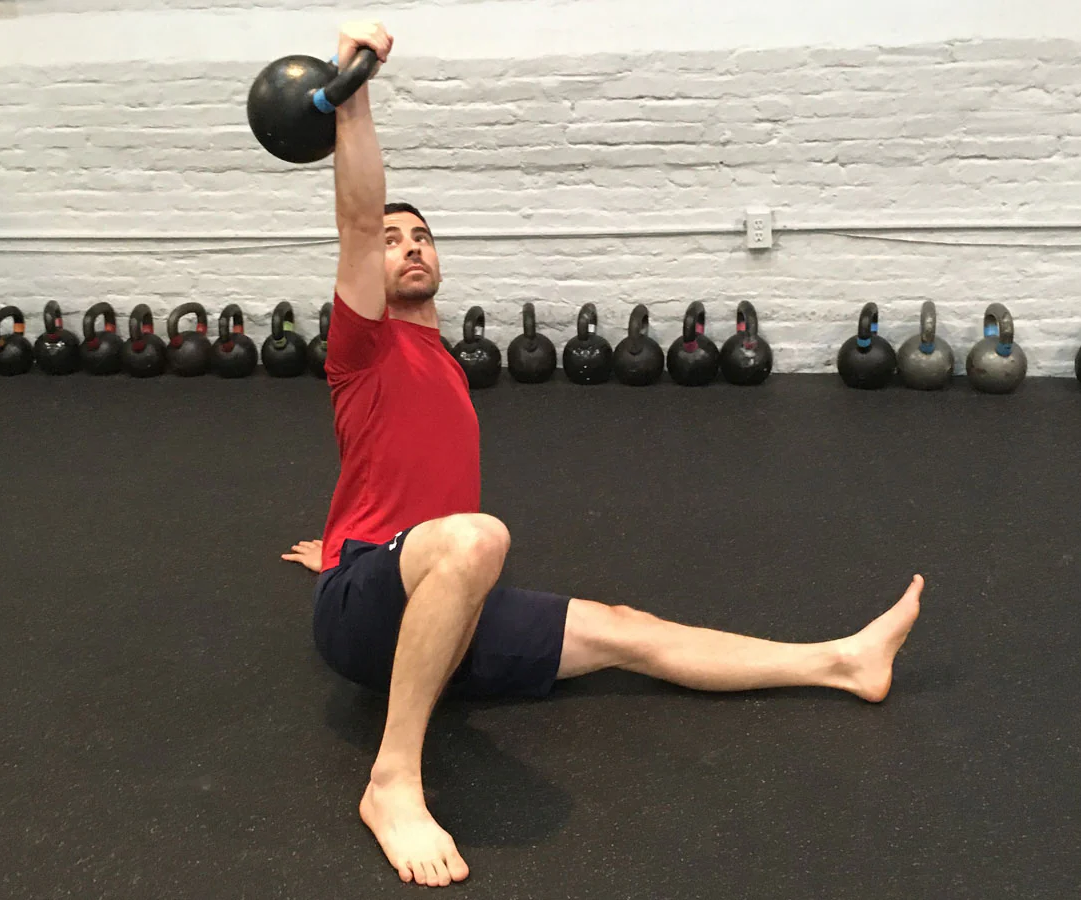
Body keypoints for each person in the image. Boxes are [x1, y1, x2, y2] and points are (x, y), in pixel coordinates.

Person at [282, 20, 924, 890]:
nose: (408, 246)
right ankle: (393, 781)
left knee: (627, 629)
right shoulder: (364, 347)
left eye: (421, 236)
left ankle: (842, 662)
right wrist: (353, 98)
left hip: (424, 597)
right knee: (478, 536)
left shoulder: (444, 364)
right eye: (392, 241)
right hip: (369, 603)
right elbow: (358, 220)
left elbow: (397, 480)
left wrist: (342, 541)